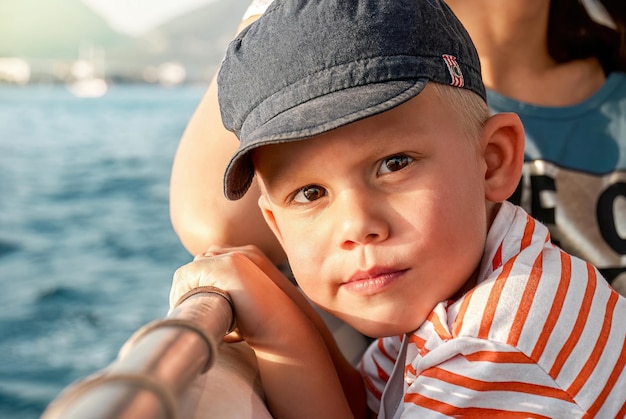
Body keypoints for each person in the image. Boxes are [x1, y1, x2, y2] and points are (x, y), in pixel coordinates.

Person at [169, 0, 626, 417]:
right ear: (276, 225)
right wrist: (279, 317)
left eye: (394, 164)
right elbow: (365, 409)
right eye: (310, 193)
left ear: (493, 162)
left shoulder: (498, 342)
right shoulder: (452, 290)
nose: (357, 225)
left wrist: (279, 330)